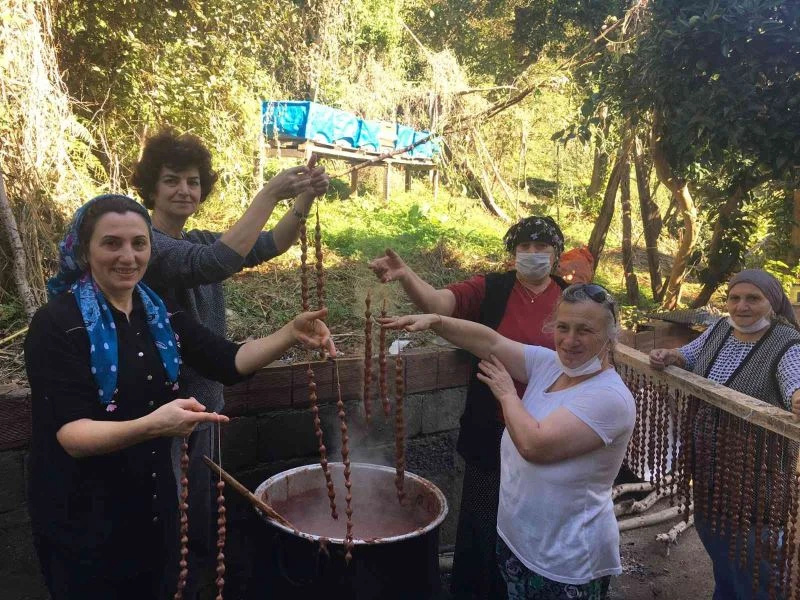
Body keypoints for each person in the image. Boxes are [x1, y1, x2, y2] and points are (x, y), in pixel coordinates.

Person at [24, 195, 335, 600]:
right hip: (82, 517)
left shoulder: (157, 312)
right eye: (111, 243)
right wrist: (156, 425)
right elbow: (72, 435)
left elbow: (227, 360)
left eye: (139, 243)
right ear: (85, 251)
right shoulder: (57, 324)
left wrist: (289, 335)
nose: (128, 256)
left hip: (153, 505)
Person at [131, 128, 329, 595]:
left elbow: (270, 244)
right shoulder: (147, 246)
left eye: (193, 181)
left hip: (208, 404)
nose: (184, 190)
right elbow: (216, 262)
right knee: (173, 529)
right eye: (172, 180)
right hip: (167, 415)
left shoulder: (197, 238)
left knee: (201, 521)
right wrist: (269, 192)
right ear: (151, 188)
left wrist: (299, 202)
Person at [381, 283, 635, 600]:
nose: (569, 340)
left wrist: (506, 394)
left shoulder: (609, 397)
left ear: (609, 336)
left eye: (585, 330)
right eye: (563, 327)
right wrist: (437, 322)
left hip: (564, 559)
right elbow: (490, 342)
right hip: (519, 541)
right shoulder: (551, 366)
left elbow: (534, 445)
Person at [369, 215, 569, 598]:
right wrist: (407, 275)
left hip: (546, 427)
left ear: (555, 254)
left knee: (531, 521)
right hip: (490, 428)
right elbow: (438, 304)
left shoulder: (570, 298)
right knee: (481, 519)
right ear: (512, 254)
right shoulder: (490, 288)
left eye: (540, 247)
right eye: (523, 247)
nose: (531, 254)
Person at [649, 269, 800, 600]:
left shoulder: (787, 344)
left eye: (752, 299)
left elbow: (794, 380)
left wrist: (797, 397)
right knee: (720, 548)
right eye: (734, 298)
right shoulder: (720, 329)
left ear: (772, 303)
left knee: (753, 559)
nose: (741, 306)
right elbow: (690, 355)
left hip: (757, 480)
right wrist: (669, 356)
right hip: (709, 468)